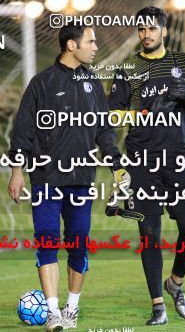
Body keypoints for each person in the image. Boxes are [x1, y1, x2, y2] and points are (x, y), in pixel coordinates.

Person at [8, 22, 129, 331]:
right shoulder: (42, 83)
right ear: (71, 46)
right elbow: (23, 131)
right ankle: (52, 313)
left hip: (81, 180)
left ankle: (71, 309)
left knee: (78, 245)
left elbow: (104, 132)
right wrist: (17, 171)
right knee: (47, 242)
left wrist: (117, 167)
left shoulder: (93, 84)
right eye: (90, 41)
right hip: (46, 179)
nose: (95, 46)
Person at [109, 6, 185, 326]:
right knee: (149, 233)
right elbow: (112, 115)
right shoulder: (128, 68)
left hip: (177, 158)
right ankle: (158, 306)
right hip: (142, 162)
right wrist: (139, 114)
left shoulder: (183, 63)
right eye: (140, 29)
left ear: (163, 30)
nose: (145, 35)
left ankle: (175, 284)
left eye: (150, 29)